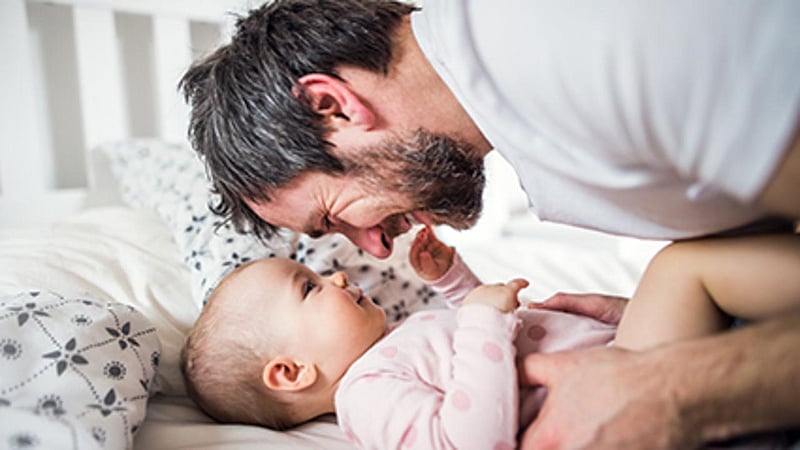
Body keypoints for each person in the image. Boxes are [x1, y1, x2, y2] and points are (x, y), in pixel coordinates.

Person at [179, 0, 800, 447]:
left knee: (683, 267)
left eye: (333, 216)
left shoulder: (589, 50)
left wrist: (675, 386)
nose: (371, 248)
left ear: (331, 106)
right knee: (686, 268)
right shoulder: (520, 99)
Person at [181, 227, 616, 449]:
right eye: (310, 288)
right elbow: (469, 440)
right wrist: (485, 319)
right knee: (679, 265)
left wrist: (453, 283)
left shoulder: (390, 343)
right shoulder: (367, 395)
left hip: (620, 350)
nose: (335, 275)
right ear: (292, 372)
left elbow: (471, 355)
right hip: (617, 388)